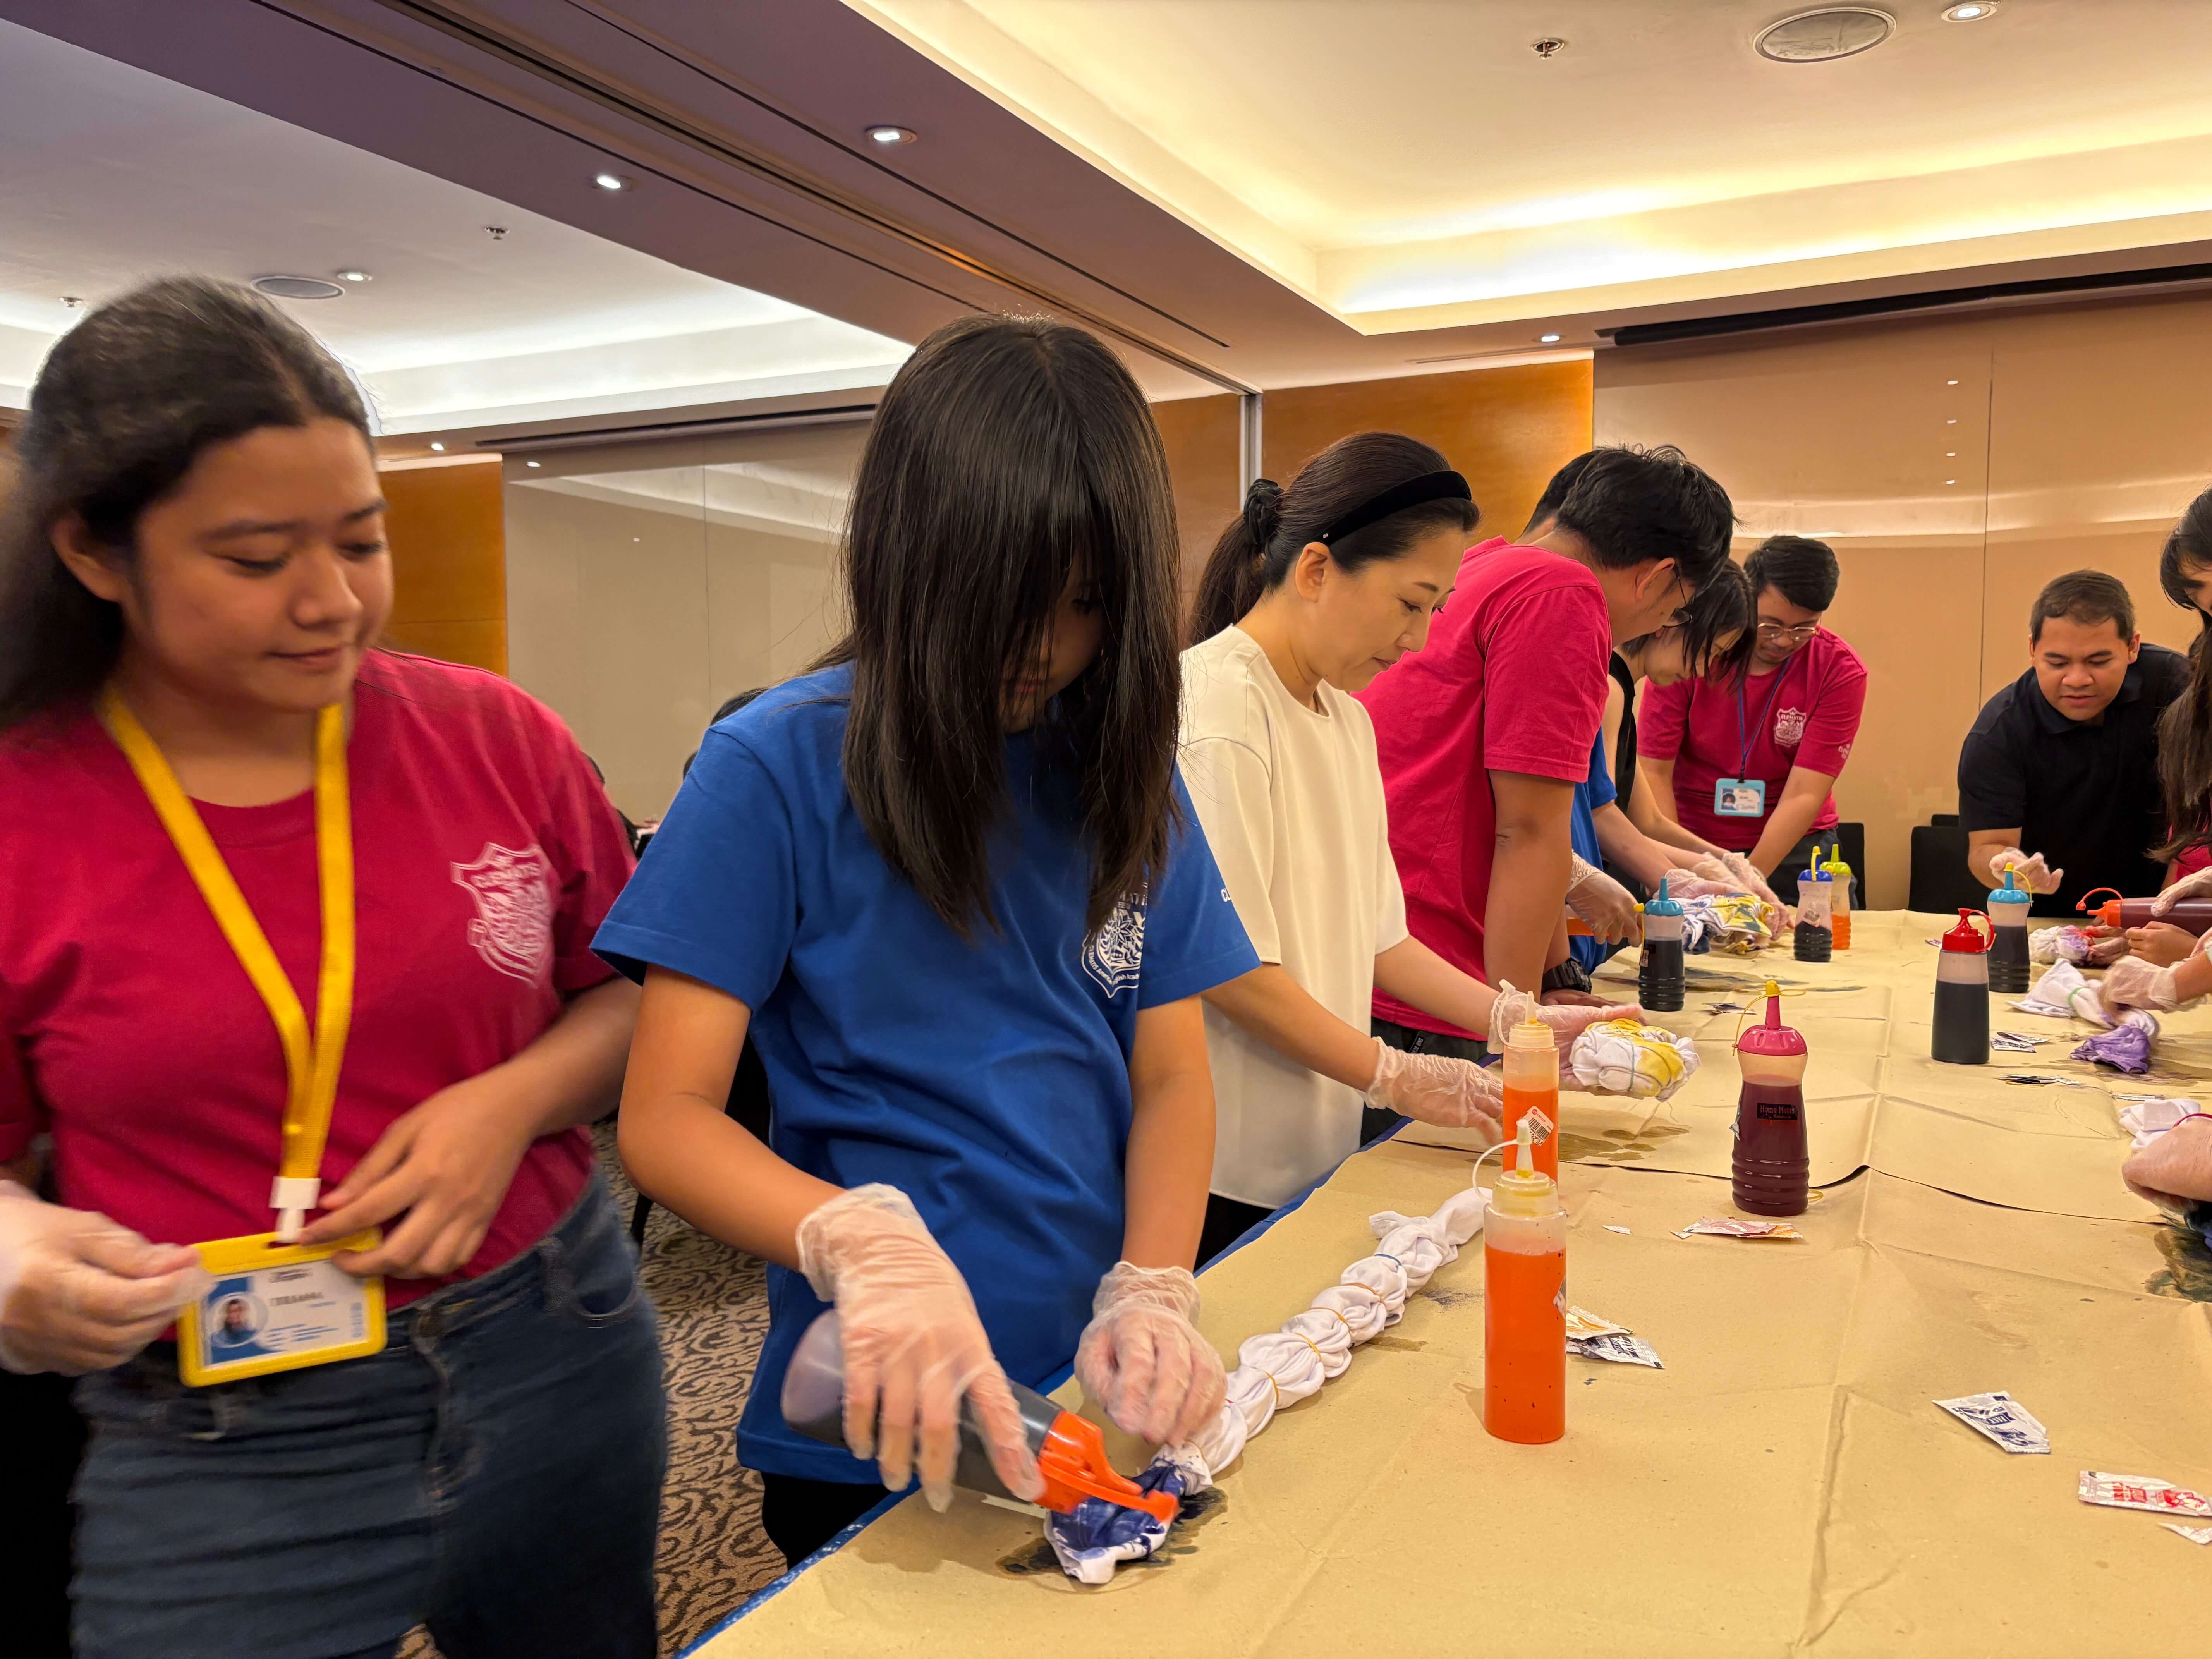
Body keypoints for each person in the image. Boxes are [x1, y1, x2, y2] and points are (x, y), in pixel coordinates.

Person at [0, 278, 661, 1658]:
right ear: (95, 554)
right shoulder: (27, 810)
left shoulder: (494, 737)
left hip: (551, 1336)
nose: (332, 601)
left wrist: (506, 1105)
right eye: (255, 559)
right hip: (221, 1425)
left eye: (361, 540)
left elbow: (622, 998)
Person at [601, 314, 1257, 1571]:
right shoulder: (775, 766)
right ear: (914, 556)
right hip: (871, 1408)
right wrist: (857, 1235)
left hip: (1084, 1389)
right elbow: (666, 1116)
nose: (1043, 646)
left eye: (1086, 604)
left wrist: (1153, 1283)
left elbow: (1172, 1075)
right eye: (1006, 599)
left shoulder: (1120, 774)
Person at [1177, 434, 1637, 1264]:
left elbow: (1381, 938)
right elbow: (1232, 969)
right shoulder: (1217, 709)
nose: (1420, 640)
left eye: (1436, 610)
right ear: (1316, 569)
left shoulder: (1345, 717)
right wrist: (1393, 1072)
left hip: (1316, 1136)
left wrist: (1514, 1019)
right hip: (1219, 1157)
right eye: (1410, 603)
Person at [1357, 445, 1735, 1035]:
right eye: (1678, 609)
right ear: (1658, 576)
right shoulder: (1565, 595)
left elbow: (1531, 812)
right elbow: (1529, 833)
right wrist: (1523, 1030)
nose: (1664, 625)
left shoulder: (1487, 565)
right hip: (1440, 970)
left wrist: (1555, 973)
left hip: (1389, 942)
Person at [1954, 569, 2186, 919]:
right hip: (2048, 918)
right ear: (2033, 650)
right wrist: (2009, 866)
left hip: (2165, 910)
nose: (2077, 680)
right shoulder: (2000, 732)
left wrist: (2168, 911)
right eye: (2058, 662)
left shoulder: (2176, 689)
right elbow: (1987, 847)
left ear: (2132, 647)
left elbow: (2203, 812)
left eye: (2099, 661)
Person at [1640, 535, 1867, 881]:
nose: (1784, 640)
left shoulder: (1838, 670)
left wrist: (1748, 881)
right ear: (1748, 600)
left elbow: (1805, 792)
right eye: (1770, 625)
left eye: (1803, 629)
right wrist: (1677, 870)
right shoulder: (1693, 652)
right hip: (1689, 834)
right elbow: (1654, 771)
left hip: (1794, 846)